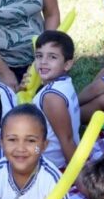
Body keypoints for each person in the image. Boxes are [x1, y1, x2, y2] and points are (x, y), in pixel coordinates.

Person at [31, 31, 80, 168]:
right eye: (39, 56)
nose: (43, 62)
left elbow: (66, 140)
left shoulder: (51, 97)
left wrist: (77, 176)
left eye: (52, 57)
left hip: (47, 164)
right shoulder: (64, 83)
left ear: (67, 64)